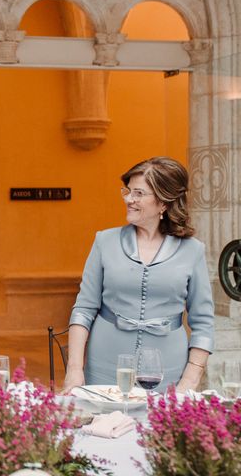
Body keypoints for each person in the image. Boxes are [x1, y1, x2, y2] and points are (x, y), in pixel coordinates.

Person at [63, 157, 214, 393]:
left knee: (159, 429)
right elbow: (83, 309)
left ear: (163, 202)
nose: (128, 199)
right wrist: (74, 369)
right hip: (104, 363)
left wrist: (189, 380)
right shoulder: (104, 241)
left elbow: (203, 323)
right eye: (128, 191)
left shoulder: (193, 251)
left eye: (138, 193)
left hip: (168, 369)